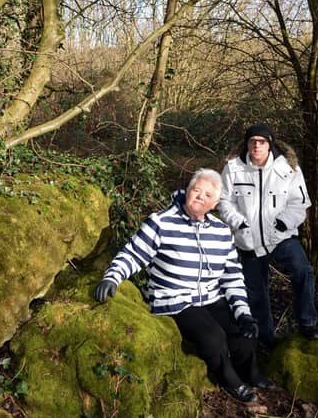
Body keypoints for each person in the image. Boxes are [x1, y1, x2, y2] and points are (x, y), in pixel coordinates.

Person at [94, 169, 273, 403]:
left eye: (207, 195)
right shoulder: (160, 222)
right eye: (196, 190)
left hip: (210, 298)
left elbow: (232, 277)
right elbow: (133, 254)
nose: (200, 196)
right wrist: (113, 276)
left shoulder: (221, 232)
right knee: (213, 336)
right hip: (173, 299)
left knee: (244, 333)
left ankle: (250, 373)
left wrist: (244, 313)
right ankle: (229, 380)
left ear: (215, 203)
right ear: (187, 191)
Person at [218, 123, 318, 344]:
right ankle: (265, 338)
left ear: (269, 144)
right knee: (256, 290)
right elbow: (224, 201)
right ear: (247, 144)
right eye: (253, 141)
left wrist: (285, 222)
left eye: (262, 141)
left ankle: (308, 322)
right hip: (249, 239)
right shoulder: (233, 168)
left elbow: (300, 202)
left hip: (281, 236)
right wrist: (239, 222)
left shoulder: (288, 168)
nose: (257, 145)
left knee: (303, 270)